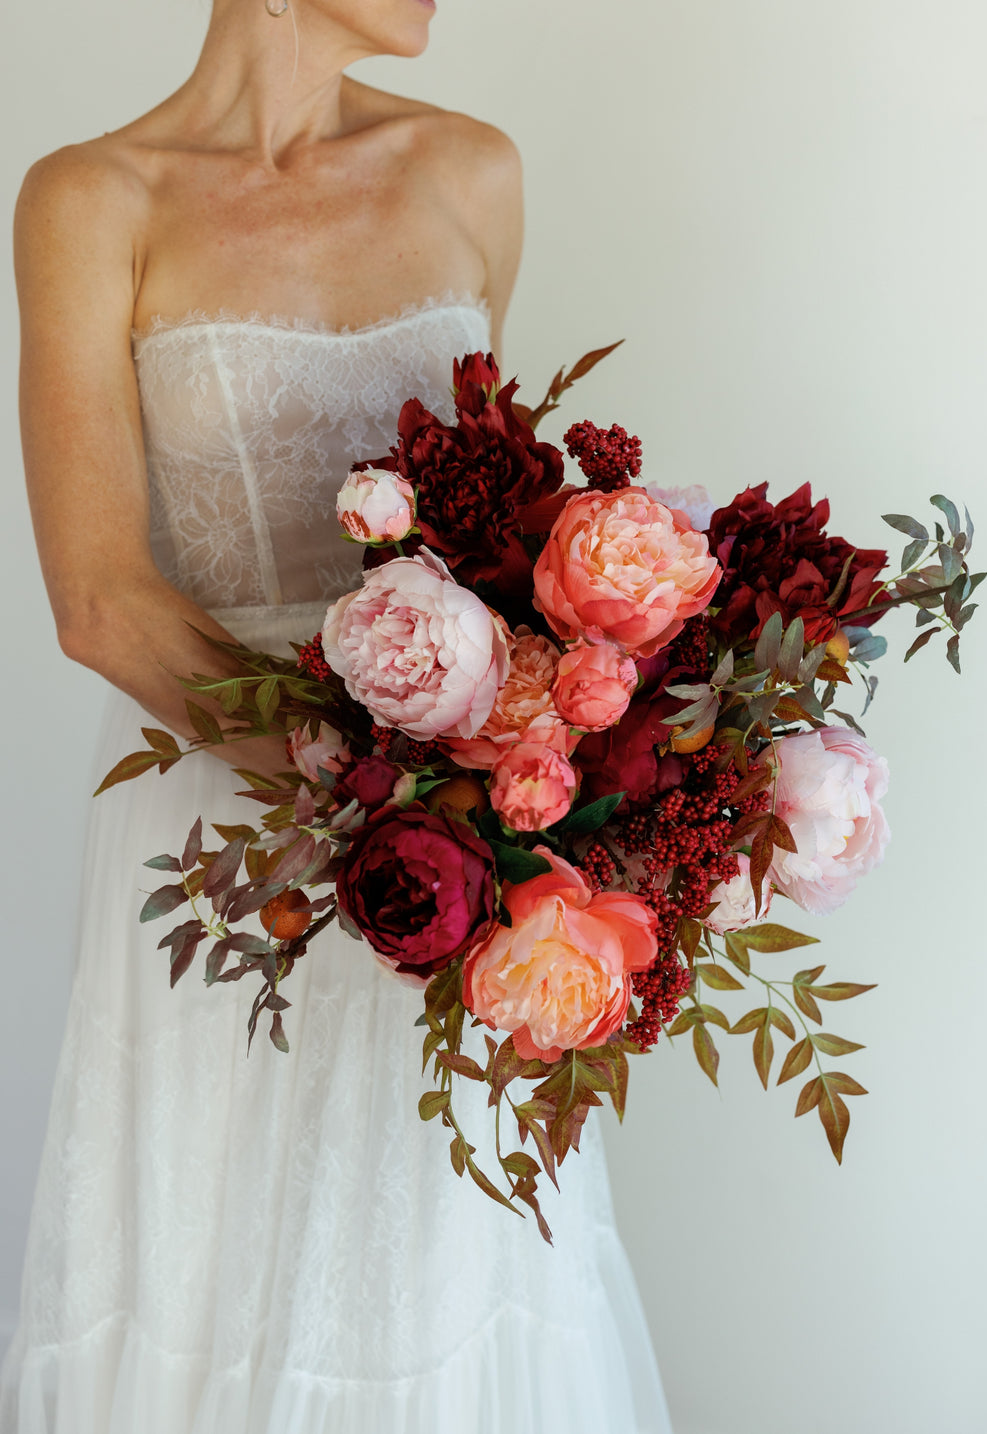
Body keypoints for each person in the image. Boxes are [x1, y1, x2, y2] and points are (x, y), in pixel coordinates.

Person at [0, 2, 673, 1429]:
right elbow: (101, 601)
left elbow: (489, 532)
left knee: (435, 1257)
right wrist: (366, 790)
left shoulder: (473, 174)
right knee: (213, 1273)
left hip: (454, 836)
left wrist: (527, 763)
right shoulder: (90, 200)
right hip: (229, 840)